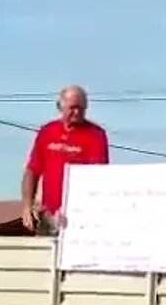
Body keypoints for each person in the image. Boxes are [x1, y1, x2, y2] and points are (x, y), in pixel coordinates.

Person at [20, 85, 110, 236]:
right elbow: (33, 170)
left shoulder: (96, 135)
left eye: (81, 108)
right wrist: (27, 206)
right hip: (48, 215)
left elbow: (97, 177)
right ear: (60, 106)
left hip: (79, 218)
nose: (77, 112)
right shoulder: (47, 132)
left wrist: (75, 208)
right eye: (72, 108)